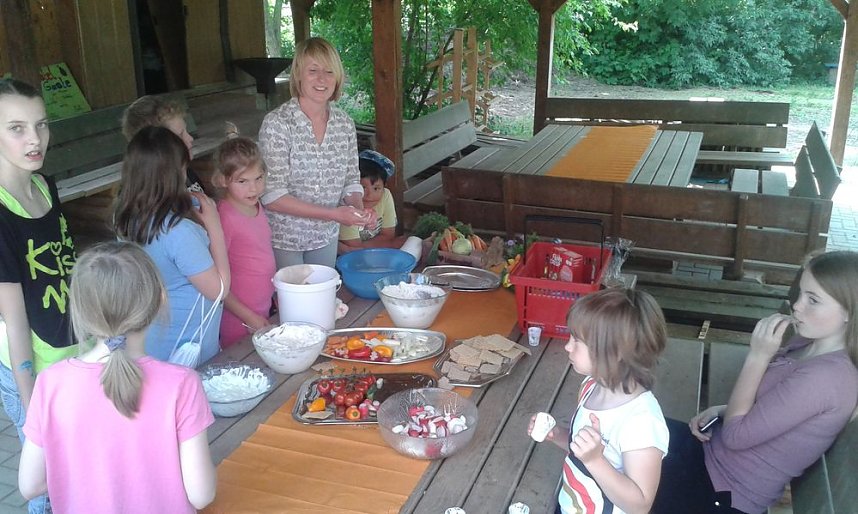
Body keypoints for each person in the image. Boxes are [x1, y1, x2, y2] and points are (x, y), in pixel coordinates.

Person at [652, 251, 858, 514]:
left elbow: (737, 436)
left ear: (850, 312)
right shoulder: (807, 343)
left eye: (813, 300)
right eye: (801, 293)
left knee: (611, 464)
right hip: (710, 459)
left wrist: (758, 355)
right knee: (621, 429)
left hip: (722, 493)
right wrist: (723, 410)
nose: (797, 305)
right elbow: (776, 410)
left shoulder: (828, 378)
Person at [18, 241, 216, 512]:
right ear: (160, 299)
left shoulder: (50, 383)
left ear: (79, 309)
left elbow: (30, 485)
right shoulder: (182, 384)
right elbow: (201, 495)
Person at [0, 78, 77, 514]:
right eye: (16, 128)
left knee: (74, 469)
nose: (34, 139)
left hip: (69, 352)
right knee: (47, 484)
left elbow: (68, 268)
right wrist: (34, 411)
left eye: (41, 124)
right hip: (29, 367)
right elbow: (14, 320)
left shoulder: (46, 185)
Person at [528, 287, 669, 514]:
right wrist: (556, 434)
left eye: (577, 340)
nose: (567, 346)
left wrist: (595, 460)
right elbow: (581, 449)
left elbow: (640, 504)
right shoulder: (591, 386)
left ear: (614, 352)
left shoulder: (642, 422)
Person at [114, 126, 230, 364]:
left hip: (151, 340)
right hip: (185, 347)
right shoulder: (178, 232)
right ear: (175, 174)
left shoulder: (126, 220)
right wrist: (215, 226)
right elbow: (218, 290)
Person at [258, 37, 376, 269]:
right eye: (313, 70)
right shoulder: (278, 124)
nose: (322, 79)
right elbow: (272, 196)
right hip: (284, 237)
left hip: (325, 236)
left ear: (338, 78)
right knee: (293, 303)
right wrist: (334, 214)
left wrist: (359, 211)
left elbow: (350, 180)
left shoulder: (344, 123)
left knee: (322, 301)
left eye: (329, 71)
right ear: (299, 75)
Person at [212, 136, 275, 347]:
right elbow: (216, 282)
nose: (253, 189)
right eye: (242, 181)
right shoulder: (224, 218)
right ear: (222, 180)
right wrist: (248, 317)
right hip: (237, 318)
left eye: (258, 178)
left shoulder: (257, 206)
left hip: (263, 307)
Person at [121, 95, 205, 193]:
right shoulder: (153, 195)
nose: (190, 138)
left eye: (186, 131)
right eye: (180, 135)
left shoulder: (187, 174)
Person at [338, 149, 408, 254]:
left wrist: (352, 249)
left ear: (383, 187)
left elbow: (388, 235)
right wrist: (389, 244)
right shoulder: (347, 205)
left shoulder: (385, 195)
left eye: (376, 188)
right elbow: (354, 250)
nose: (369, 195)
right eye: (362, 187)